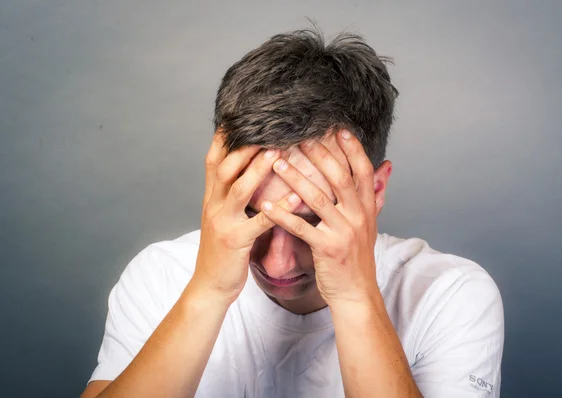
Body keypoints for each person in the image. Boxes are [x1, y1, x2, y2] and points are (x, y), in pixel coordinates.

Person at [81, 27, 504, 398]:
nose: (277, 262)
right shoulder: (160, 277)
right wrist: (208, 292)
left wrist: (356, 297)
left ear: (375, 190)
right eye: (253, 214)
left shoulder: (449, 294)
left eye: (313, 219)